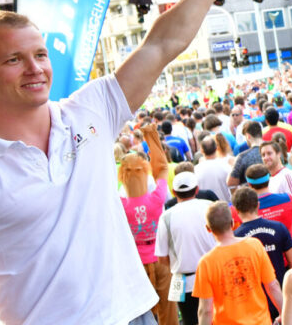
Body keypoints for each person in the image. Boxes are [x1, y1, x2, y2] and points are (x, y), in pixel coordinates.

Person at [0, 0, 241, 325]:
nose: (34, 68)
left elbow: (161, 44)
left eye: (40, 54)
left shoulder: (90, 109)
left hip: (137, 316)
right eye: (14, 60)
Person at [121, 125, 177, 325]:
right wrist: (151, 136)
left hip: (136, 264)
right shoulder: (156, 198)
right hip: (161, 259)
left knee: (141, 313)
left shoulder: (119, 205)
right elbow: (162, 168)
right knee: (169, 308)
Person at [193, 201, 283, 325]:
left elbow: (206, 310)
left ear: (208, 229)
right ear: (232, 223)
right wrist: (284, 312)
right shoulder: (254, 245)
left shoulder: (206, 262)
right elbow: (273, 286)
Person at [155, 171, 216, 325]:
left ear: (174, 192)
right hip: (214, 275)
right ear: (197, 190)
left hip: (182, 280)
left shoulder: (166, 216)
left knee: (189, 320)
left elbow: (162, 258)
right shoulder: (210, 206)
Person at [233, 187, 292, 321]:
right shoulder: (278, 227)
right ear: (258, 205)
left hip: (253, 303)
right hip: (281, 294)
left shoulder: (236, 237)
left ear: (236, 210)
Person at [261, 141, 292, 213]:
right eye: (263, 155)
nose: (266, 157)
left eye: (269, 153)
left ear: (278, 154)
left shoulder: (287, 175)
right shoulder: (270, 179)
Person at [193, 135, 232, 202]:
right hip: (224, 206)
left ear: (201, 150)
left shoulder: (195, 170)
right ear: (216, 148)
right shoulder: (226, 167)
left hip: (206, 208)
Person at [227, 120, 263, 190]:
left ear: (248, 136)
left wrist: (232, 165)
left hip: (251, 195)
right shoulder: (274, 149)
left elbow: (231, 182)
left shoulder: (243, 157)